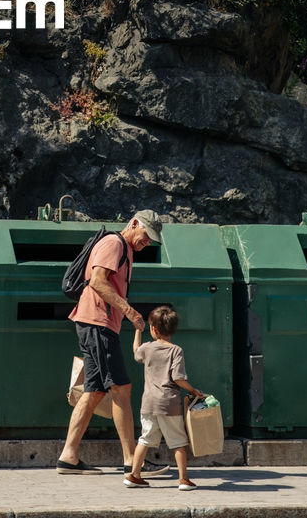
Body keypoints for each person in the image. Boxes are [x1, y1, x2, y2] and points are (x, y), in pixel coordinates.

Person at [57, 209, 170, 477]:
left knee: (94, 391)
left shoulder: (125, 249)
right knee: (121, 388)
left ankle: (68, 457)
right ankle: (132, 460)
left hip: (96, 323)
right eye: (145, 236)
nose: (146, 243)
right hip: (97, 323)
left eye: (151, 240)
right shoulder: (113, 243)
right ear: (133, 223)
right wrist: (129, 311)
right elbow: (97, 281)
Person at [124, 304, 205, 491]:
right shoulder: (176, 350)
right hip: (169, 404)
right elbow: (178, 378)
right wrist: (193, 391)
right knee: (178, 443)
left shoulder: (147, 348)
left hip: (149, 404)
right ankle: (183, 479)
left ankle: (134, 475)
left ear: (153, 329)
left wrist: (137, 331)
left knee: (145, 440)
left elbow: (136, 352)